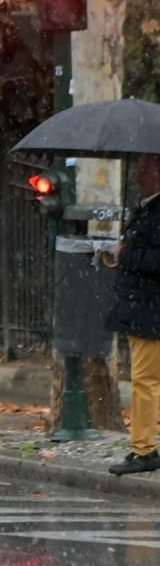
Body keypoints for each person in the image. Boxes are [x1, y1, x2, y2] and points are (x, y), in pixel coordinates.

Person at [107, 153, 160, 476]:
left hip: (150, 310)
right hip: (143, 307)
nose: (138, 177)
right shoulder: (147, 208)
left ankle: (144, 450)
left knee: (145, 381)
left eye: (145, 170)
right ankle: (143, 446)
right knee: (147, 380)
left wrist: (128, 255)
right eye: (138, 169)